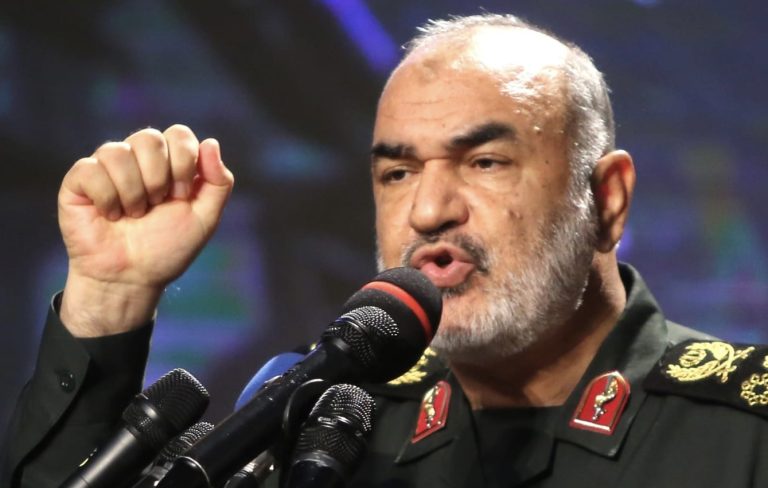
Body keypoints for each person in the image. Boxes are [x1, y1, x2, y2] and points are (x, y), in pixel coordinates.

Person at [4, 12, 768, 488]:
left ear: (607, 198)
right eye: (397, 173)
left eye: (485, 162)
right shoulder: (320, 424)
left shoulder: (747, 434)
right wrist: (111, 293)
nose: (428, 211)